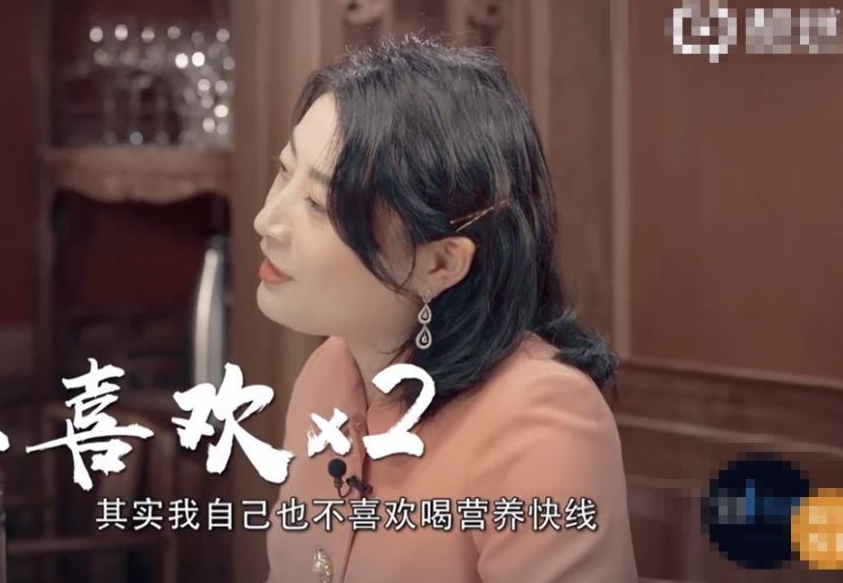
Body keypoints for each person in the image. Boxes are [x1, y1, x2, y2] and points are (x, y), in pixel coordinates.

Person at [254, 35, 638, 583]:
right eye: (283, 171)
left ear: (441, 264)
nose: (267, 220)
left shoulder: (541, 421)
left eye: (318, 203)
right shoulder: (329, 374)